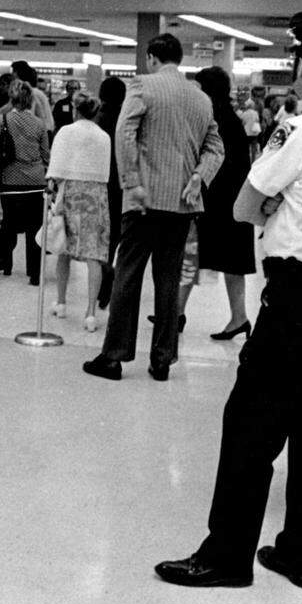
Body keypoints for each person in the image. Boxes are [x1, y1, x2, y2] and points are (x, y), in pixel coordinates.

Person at [154, 11, 302, 590]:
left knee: (250, 424)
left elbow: (242, 206)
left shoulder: (301, 130)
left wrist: (275, 208)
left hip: (297, 297)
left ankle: (226, 556)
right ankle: (301, 556)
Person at [82, 33, 223, 382]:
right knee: (168, 280)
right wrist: (199, 178)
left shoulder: (142, 86)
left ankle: (113, 357)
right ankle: (162, 359)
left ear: (151, 58)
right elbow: (215, 148)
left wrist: (131, 181)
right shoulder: (201, 98)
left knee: (128, 276)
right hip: (182, 203)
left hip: (143, 201)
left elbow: (124, 133)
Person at [184, 66, 257, 340]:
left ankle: (178, 313)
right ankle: (237, 318)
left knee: (194, 253)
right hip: (232, 202)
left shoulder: (217, 121)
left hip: (219, 202)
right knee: (230, 261)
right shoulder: (229, 118)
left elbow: (213, 162)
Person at [45, 90, 110, 331]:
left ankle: (61, 303)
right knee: (94, 255)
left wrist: (52, 188)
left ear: (75, 110)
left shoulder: (66, 132)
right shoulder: (104, 137)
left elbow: (56, 166)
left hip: (70, 193)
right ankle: (90, 313)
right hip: (96, 196)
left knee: (63, 248)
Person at [0, 79, 51, 284]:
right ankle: (34, 272)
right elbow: (46, 155)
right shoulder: (39, 124)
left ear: (11, 99)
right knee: (35, 227)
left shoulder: (3, 120)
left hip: (10, 179)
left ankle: (6, 263)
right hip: (36, 182)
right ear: (30, 100)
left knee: (9, 223)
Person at [94, 76, 126, 309]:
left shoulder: (97, 119)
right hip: (120, 186)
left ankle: (103, 273)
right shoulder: (126, 120)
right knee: (114, 235)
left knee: (98, 237)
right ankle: (109, 271)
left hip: (98, 184)